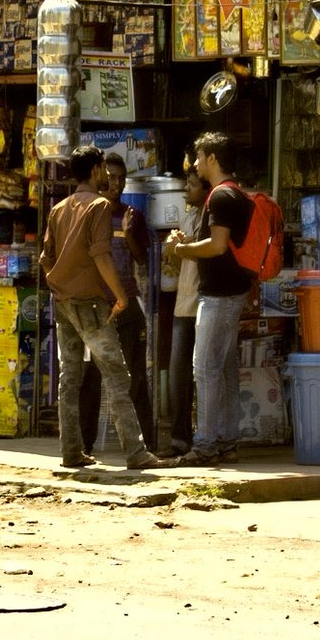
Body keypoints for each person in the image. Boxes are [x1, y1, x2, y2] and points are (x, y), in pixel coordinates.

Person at [40, 144, 171, 471]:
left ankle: (71, 451)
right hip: (91, 303)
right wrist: (121, 296)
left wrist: (59, 286)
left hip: (64, 302)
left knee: (69, 378)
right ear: (96, 170)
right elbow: (101, 255)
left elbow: (45, 258)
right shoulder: (98, 206)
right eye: (103, 168)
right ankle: (135, 452)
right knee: (116, 374)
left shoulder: (59, 209)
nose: (106, 175)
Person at [164, 132, 254, 467]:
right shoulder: (234, 194)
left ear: (213, 158)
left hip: (219, 295)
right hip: (231, 291)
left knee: (205, 369)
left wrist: (180, 249)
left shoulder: (220, 197)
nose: (196, 164)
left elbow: (217, 246)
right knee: (225, 369)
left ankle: (205, 444)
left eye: (199, 157)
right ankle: (226, 441)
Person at [78, 152, 155, 454]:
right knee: (91, 375)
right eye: (112, 178)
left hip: (128, 299)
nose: (117, 184)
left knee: (136, 373)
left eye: (122, 179)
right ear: (99, 177)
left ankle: (146, 442)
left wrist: (130, 230)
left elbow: (140, 258)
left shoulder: (133, 215)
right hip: (98, 303)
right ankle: (84, 443)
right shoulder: (88, 213)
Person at [166, 170, 208, 455]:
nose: (186, 190)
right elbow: (178, 261)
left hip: (203, 304)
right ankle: (180, 438)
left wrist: (181, 246)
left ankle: (204, 437)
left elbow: (206, 250)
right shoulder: (189, 216)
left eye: (192, 185)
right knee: (179, 374)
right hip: (184, 304)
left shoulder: (209, 216)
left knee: (204, 375)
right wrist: (175, 248)